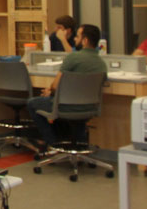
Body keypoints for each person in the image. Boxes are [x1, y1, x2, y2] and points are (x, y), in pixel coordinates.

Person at [27, 23, 106, 152]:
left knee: (32, 103)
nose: (75, 39)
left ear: (85, 41)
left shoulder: (73, 58)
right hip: (90, 107)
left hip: (66, 106)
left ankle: (51, 143)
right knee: (77, 111)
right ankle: (79, 144)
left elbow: (56, 85)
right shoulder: (101, 63)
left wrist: (51, 91)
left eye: (78, 36)